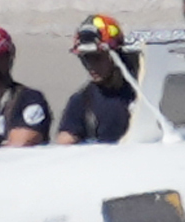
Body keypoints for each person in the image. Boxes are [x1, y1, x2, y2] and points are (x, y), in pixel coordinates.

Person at [57, 14, 136, 145]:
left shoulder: (142, 93)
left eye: (97, 57)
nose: (91, 66)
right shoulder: (81, 102)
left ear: (115, 55)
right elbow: (65, 142)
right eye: (86, 59)